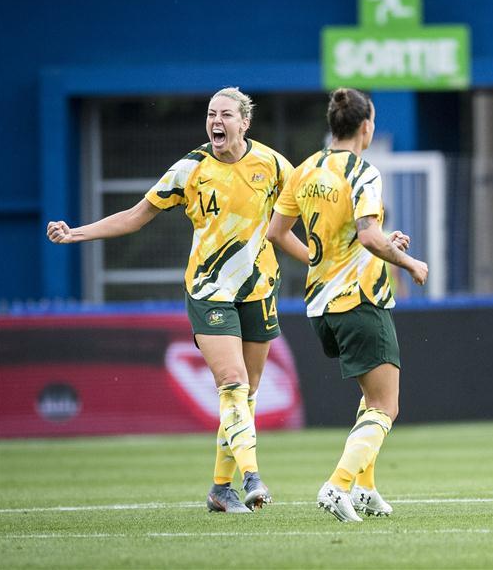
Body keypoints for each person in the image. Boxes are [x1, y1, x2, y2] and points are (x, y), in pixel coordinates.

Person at [46, 87, 306, 514]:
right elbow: (136, 216)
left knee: (248, 394)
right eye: (210, 114)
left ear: (245, 122)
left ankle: (220, 489)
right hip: (208, 292)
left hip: (260, 291)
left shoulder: (274, 164)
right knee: (234, 384)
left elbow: (297, 216)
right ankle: (251, 477)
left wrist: (334, 250)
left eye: (225, 115)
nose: (216, 121)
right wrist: (77, 232)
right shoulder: (190, 168)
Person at [267, 87, 428, 523]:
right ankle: (338, 485)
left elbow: (276, 233)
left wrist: (322, 259)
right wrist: (409, 260)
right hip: (359, 301)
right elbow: (370, 234)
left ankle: (366, 488)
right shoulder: (363, 172)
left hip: (320, 306)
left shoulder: (305, 170)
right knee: (385, 406)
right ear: (366, 127)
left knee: (369, 398)